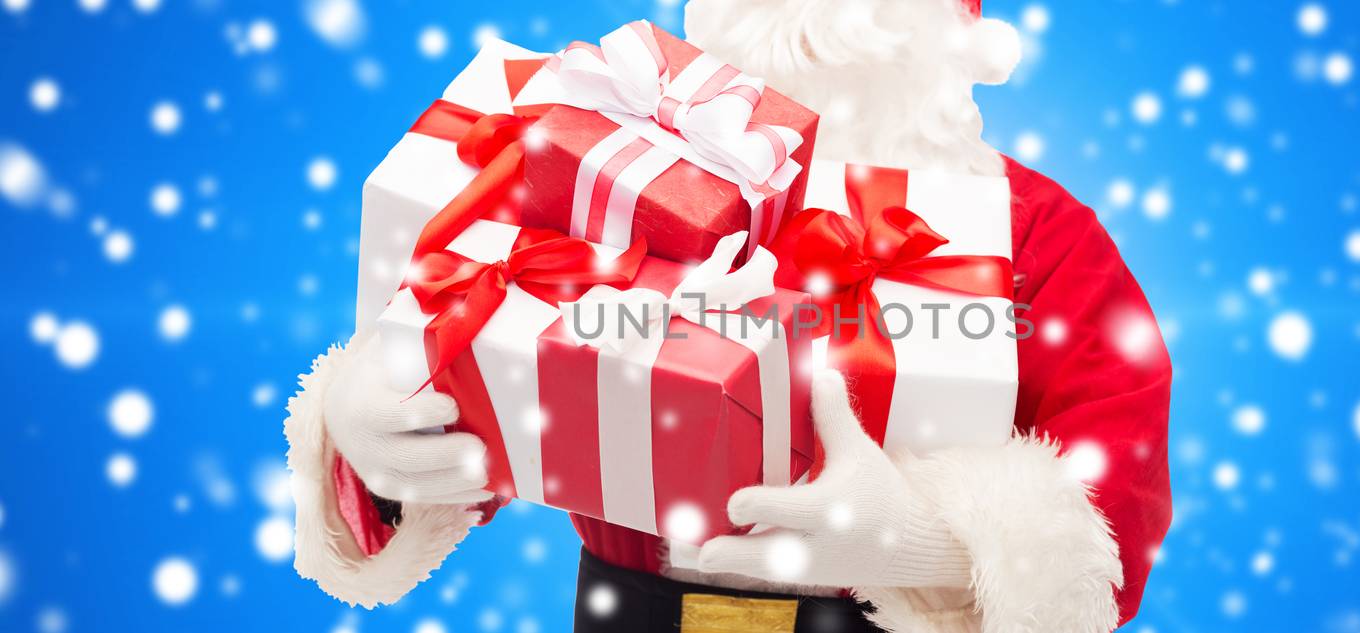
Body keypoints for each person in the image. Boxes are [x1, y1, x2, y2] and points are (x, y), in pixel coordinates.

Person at [284, 1, 1173, 631]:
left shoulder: (1033, 232)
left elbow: (1113, 504)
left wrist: (922, 541)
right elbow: (496, 352)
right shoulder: (608, 162)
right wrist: (370, 428)